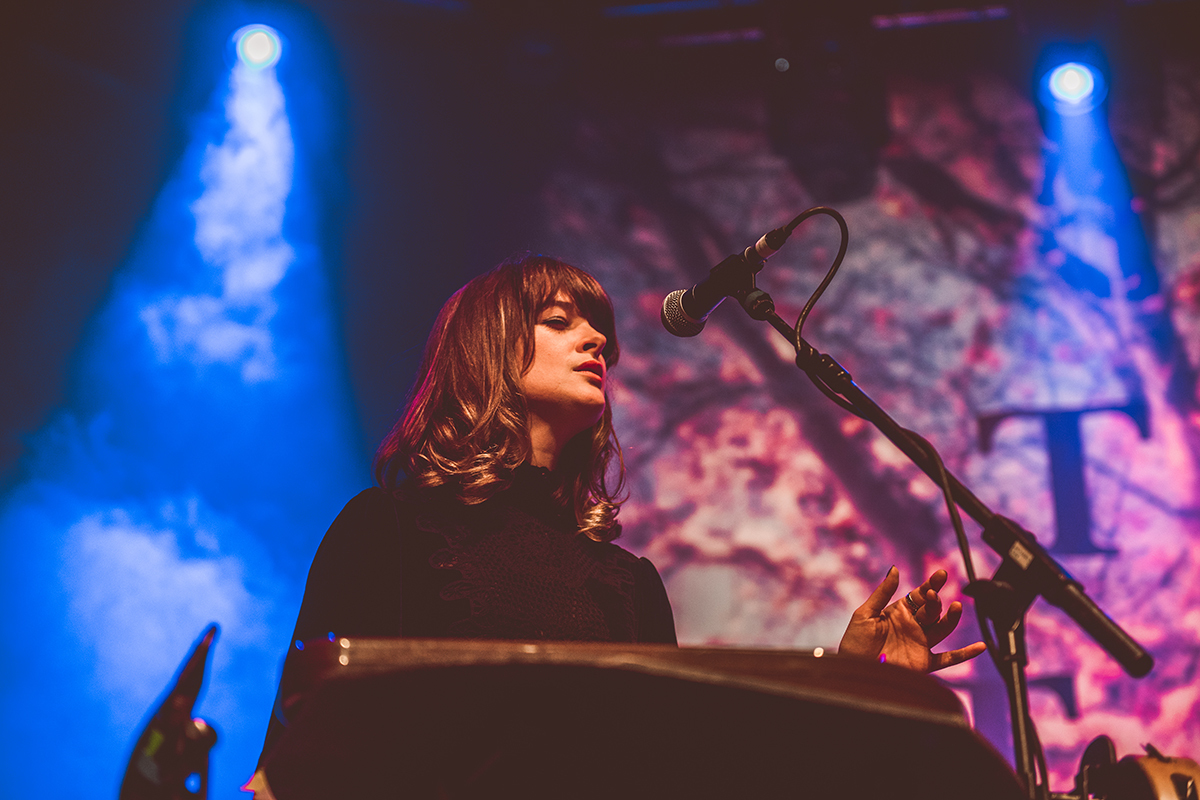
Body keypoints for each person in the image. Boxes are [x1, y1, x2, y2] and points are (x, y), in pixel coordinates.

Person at [245, 253, 984, 797]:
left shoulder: (626, 583)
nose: (596, 340)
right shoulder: (392, 529)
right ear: (488, 352)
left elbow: (675, 773)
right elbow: (310, 737)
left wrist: (857, 683)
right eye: (560, 322)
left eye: (599, 328)